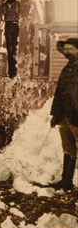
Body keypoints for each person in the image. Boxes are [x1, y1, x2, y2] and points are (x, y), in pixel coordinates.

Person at [48, 37, 78, 190]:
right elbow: (59, 93)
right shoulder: (66, 69)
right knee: (68, 149)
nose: (67, 53)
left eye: (71, 49)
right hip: (65, 117)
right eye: (65, 50)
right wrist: (55, 115)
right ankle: (66, 181)